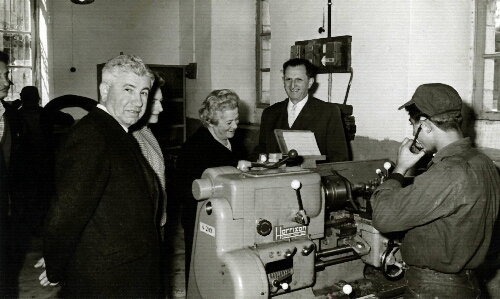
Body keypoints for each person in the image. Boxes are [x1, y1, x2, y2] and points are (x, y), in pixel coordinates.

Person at [39, 54, 164, 298]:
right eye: (128, 89)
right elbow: (65, 213)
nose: (138, 102)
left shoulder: (118, 132)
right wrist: (56, 266)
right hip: (107, 279)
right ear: (104, 90)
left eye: (143, 92)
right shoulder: (91, 136)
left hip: (125, 269)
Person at [370, 83, 500, 298]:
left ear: (426, 125)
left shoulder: (449, 171)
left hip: (434, 288)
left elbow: (383, 217)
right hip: (468, 283)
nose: (413, 133)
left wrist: (400, 169)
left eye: (413, 125)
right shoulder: (483, 162)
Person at [175, 89, 245, 286]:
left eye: (237, 120)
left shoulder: (232, 141)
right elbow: (186, 192)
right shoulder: (194, 149)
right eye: (229, 123)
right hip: (202, 221)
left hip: (228, 218)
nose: (236, 126)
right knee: (202, 274)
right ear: (211, 121)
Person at [249, 58, 348, 162]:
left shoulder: (328, 112)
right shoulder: (270, 113)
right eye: (288, 79)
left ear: (310, 82)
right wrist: (248, 163)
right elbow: (262, 149)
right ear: (283, 80)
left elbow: (340, 158)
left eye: (298, 80)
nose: (292, 85)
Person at [131, 74, 167, 232]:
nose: (161, 108)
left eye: (160, 101)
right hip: (144, 227)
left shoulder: (146, 131)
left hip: (157, 221)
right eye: (154, 102)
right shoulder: (132, 136)